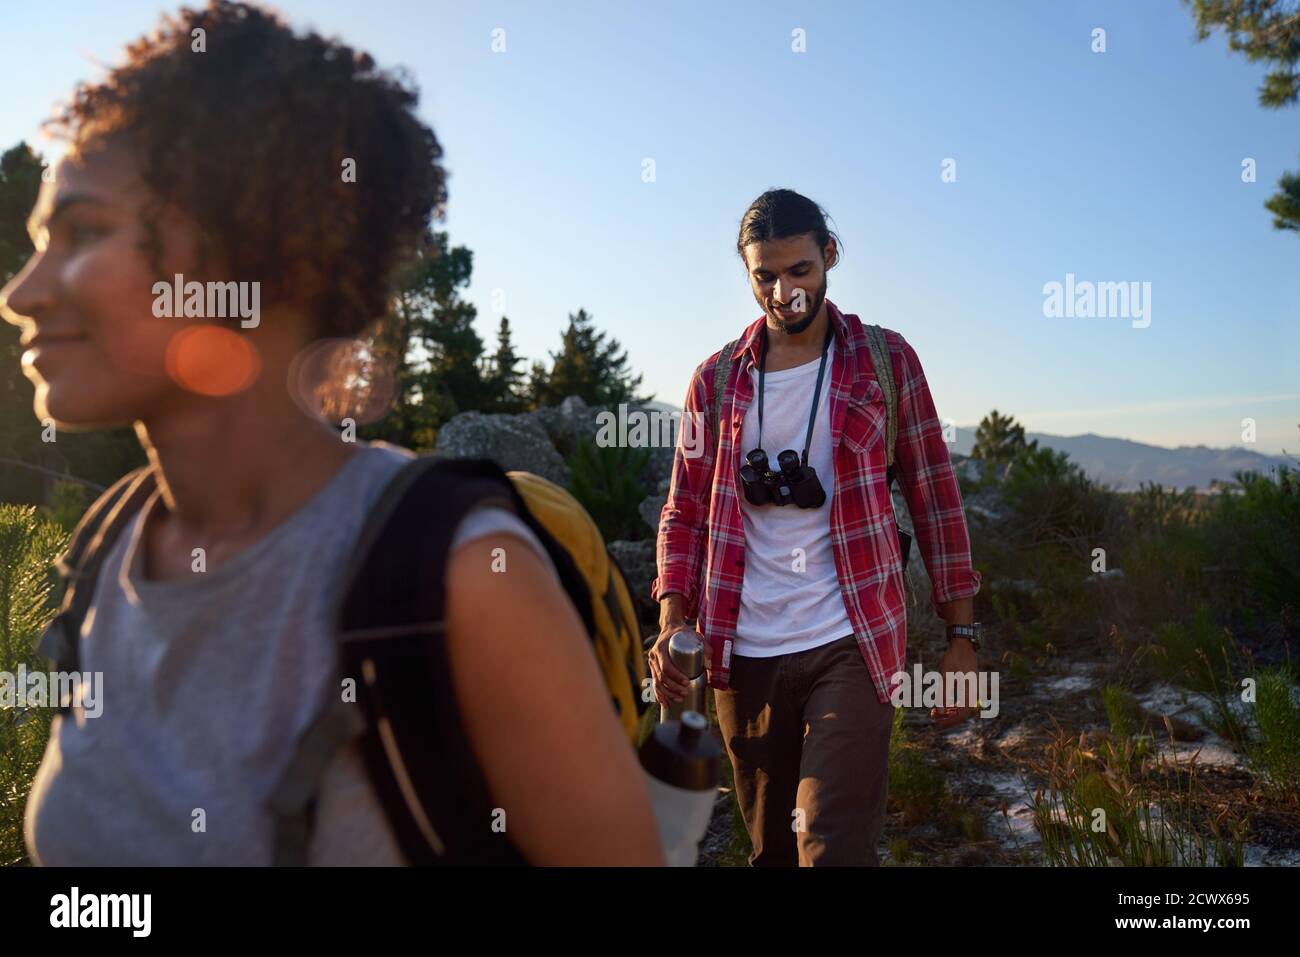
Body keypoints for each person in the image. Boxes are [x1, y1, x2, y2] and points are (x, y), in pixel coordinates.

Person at [1, 0, 662, 866]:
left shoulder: (457, 580)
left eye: (83, 232)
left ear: (251, 242)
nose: (22, 292)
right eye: (37, 241)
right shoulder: (102, 549)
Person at [647, 188, 981, 866]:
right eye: (764, 275)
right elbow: (682, 511)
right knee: (770, 849)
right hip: (743, 654)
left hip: (851, 639)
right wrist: (672, 621)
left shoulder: (885, 361)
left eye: (799, 270)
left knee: (829, 845)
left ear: (829, 257)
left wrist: (962, 636)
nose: (783, 291)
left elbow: (934, 496)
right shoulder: (711, 382)